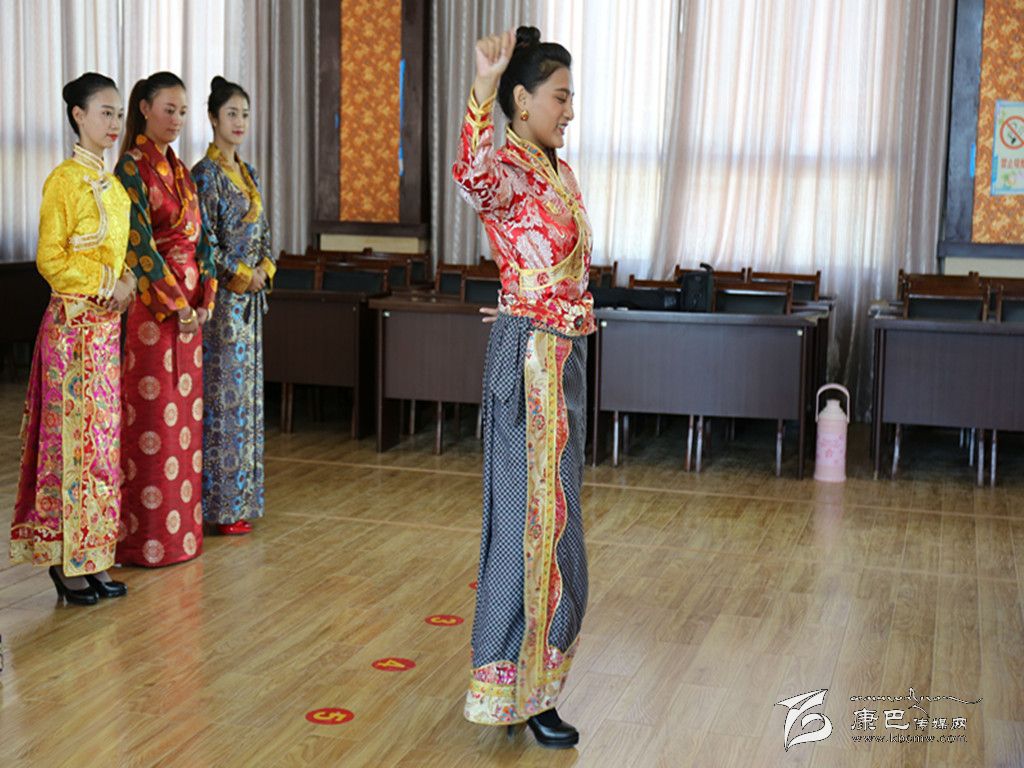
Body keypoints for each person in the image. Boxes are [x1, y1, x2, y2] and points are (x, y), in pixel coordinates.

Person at [453, 26, 593, 749]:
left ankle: (531, 683)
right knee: (530, 523)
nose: (569, 109)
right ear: (522, 99)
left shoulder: (556, 169)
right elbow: (473, 177)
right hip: (532, 363)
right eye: (560, 96)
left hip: (559, 357)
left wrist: (531, 303)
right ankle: (522, 687)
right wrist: (481, 87)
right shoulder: (507, 165)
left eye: (570, 97)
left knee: (555, 523)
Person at [10, 72, 135, 605]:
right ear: (78, 116)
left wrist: (127, 281)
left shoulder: (116, 189)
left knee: (102, 450)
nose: (114, 122)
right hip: (70, 334)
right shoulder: (63, 181)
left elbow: (121, 257)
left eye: (118, 114)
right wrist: (109, 283)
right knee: (68, 449)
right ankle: (66, 562)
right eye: (105, 112)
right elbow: (50, 259)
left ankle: (95, 556)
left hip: (104, 335)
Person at [114, 72, 217, 567]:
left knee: (185, 428)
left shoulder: (180, 169)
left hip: (190, 316)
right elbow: (139, 246)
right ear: (144, 109)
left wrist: (206, 299)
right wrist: (178, 304)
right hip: (155, 316)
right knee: (152, 423)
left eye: (182, 112)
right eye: (168, 110)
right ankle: (145, 540)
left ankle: (182, 538)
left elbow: (203, 241)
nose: (176, 120)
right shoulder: (131, 168)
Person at [191, 76, 276, 536]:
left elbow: (265, 236)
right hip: (222, 305)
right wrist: (243, 275)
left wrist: (264, 268)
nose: (239, 122)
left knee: (247, 402)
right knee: (223, 402)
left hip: (251, 306)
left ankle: (242, 501)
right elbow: (205, 243)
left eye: (244, 114)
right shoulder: (204, 175)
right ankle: (218, 506)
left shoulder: (250, 173)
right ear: (212, 118)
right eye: (231, 114)